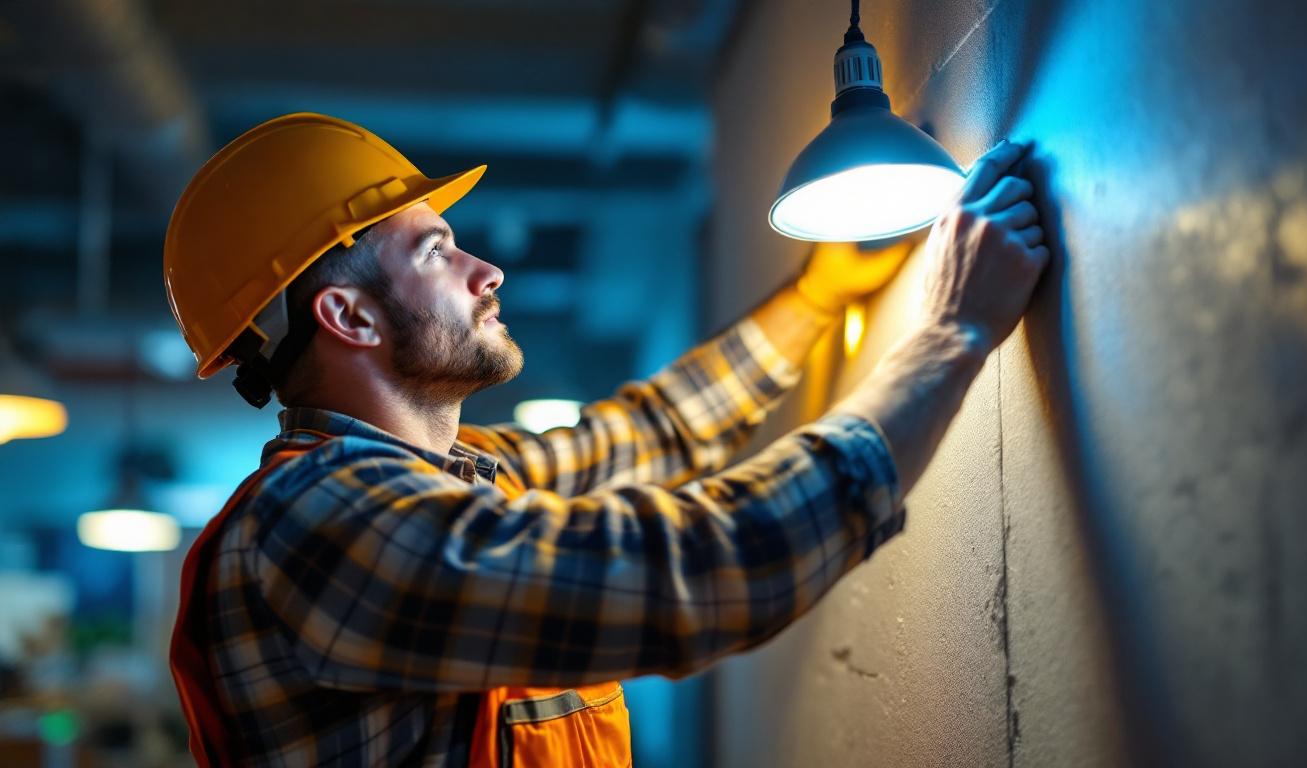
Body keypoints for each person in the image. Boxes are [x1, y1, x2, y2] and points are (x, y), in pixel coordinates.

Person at [163, 113, 1046, 767]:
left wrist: (815, 299)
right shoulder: (316, 525)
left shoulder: (464, 480)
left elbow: (646, 434)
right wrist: (947, 338)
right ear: (348, 314)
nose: (488, 271)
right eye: (436, 250)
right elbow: (693, 573)